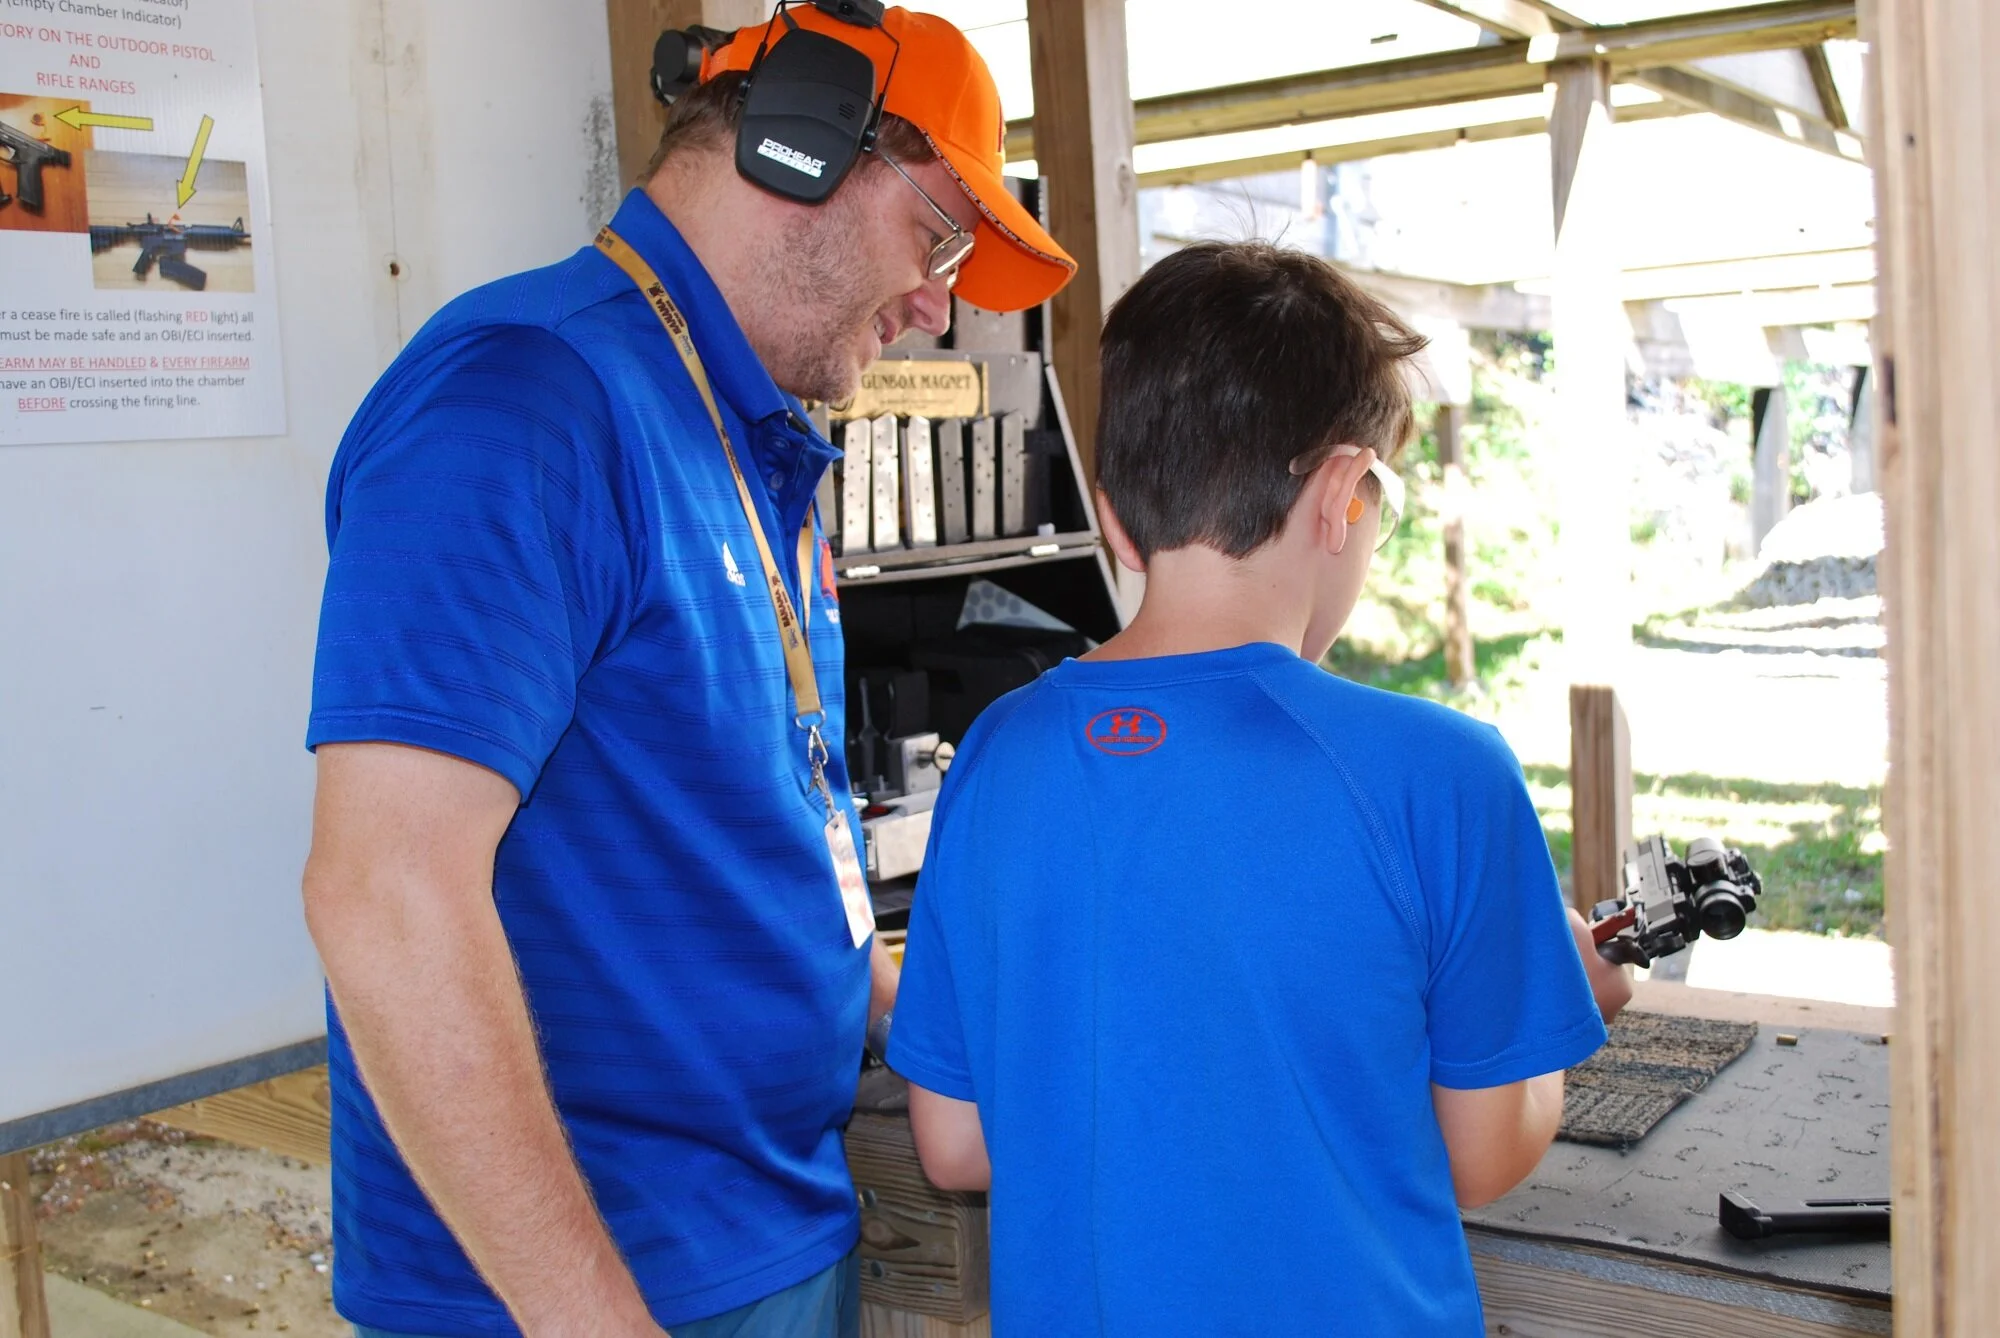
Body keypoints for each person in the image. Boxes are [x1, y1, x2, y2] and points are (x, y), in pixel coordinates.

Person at [299, 8, 1075, 1337]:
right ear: (805, 143)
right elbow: (384, 894)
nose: (939, 304)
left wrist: (905, 997)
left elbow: (718, 829)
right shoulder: (526, 400)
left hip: (762, 1230)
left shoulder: (738, 431)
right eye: (939, 235)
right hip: (592, 1284)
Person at [887, 240, 1634, 1336]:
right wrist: (1556, 1009)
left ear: (1111, 514)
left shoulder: (998, 754)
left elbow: (954, 1147)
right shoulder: (1443, 774)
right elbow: (1479, 1157)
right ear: (1341, 493)